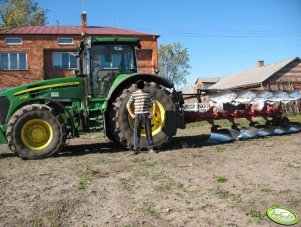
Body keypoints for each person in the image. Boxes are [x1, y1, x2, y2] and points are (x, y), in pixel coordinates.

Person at [126, 80, 157, 154]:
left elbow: (154, 103)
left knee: (148, 132)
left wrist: (152, 113)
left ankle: (150, 148)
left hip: (146, 115)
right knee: (137, 132)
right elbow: (128, 104)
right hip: (138, 115)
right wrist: (131, 114)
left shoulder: (148, 94)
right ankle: (136, 149)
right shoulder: (134, 94)